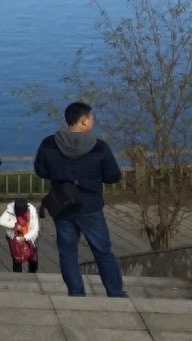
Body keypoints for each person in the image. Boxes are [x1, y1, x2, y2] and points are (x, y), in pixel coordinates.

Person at [33, 101, 127, 298]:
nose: (93, 121)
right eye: (92, 118)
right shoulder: (99, 146)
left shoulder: (49, 143)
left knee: (67, 253)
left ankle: (76, 293)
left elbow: (41, 170)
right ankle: (115, 293)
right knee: (103, 252)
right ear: (83, 120)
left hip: (62, 205)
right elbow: (112, 176)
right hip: (90, 206)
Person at [0, 198, 40, 273]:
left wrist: (25, 238)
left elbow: (35, 229)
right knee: (17, 259)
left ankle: (32, 273)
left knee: (33, 259)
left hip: (29, 236)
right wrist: (15, 225)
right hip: (13, 237)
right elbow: (1, 221)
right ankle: (17, 275)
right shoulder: (10, 209)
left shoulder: (32, 211)